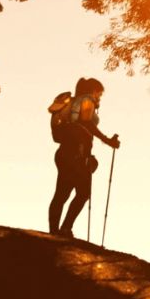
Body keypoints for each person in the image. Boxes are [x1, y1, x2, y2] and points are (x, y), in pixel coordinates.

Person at [48, 77, 120, 238]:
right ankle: (65, 229)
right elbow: (87, 123)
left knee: (62, 193)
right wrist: (108, 140)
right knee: (82, 193)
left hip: (64, 152)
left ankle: (54, 231)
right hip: (77, 153)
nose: (100, 97)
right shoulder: (87, 100)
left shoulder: (73, 102)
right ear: (94, 91)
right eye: (99, 93)